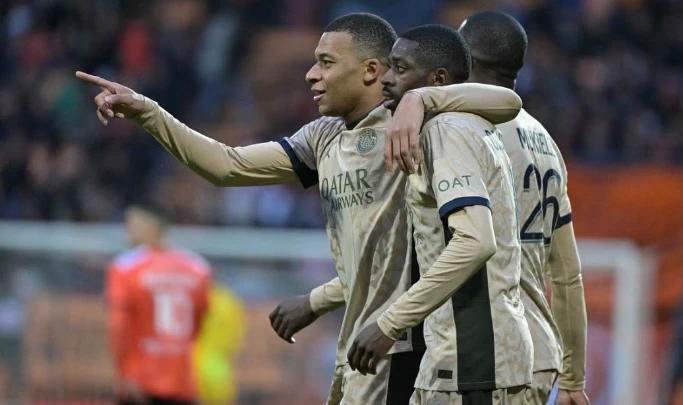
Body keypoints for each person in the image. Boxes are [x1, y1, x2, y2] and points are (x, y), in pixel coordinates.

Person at [78, 13, 522, 405]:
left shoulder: (416, 125)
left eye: (326, 63)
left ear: (371, 70)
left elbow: (507, 101)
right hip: (360, 340)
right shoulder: (323, 136)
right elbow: (226, 166)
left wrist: (421, 100)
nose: (311, 74)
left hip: (407, 346)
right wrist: (147, 112)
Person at [382, 11, 590, 405]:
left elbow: (472, 242)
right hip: (540, 353)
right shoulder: (545, 140)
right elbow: (567, 273)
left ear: (465, 63)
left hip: (485, 350)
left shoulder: (465, 130)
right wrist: (574, 378)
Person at [349, 24, 533, 405]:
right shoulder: (472, 122)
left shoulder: (445, 130)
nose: (385, 78)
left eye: (399, 68)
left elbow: (475, 241)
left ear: (438, 79)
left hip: (471, 364)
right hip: (473, 359)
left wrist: (390, 323)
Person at [105, 202, 212, 405]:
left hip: (140, 382)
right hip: (182, 381)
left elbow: (118, 326)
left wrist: (124, 374)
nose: (126, 231)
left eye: (130, 224)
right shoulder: (198, 268)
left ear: (151, 225)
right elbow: (199, 324)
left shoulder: (125, 267)